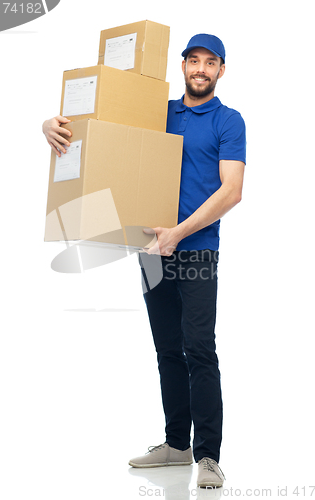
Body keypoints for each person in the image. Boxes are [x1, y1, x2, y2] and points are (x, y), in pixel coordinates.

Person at [42, 33, 246, 489]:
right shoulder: (159, 112)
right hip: (151, 251)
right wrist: (48, 126)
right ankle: (177, 444)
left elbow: (231, 190)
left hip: (195, 250)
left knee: (199, 349)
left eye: (209, 62)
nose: (200, 69)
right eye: (193, 60)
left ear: (220, 70)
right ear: (183, 65)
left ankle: (208, 457)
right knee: (167, 349)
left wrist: (179, 233)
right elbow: (99, 126)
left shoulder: (228, 121)